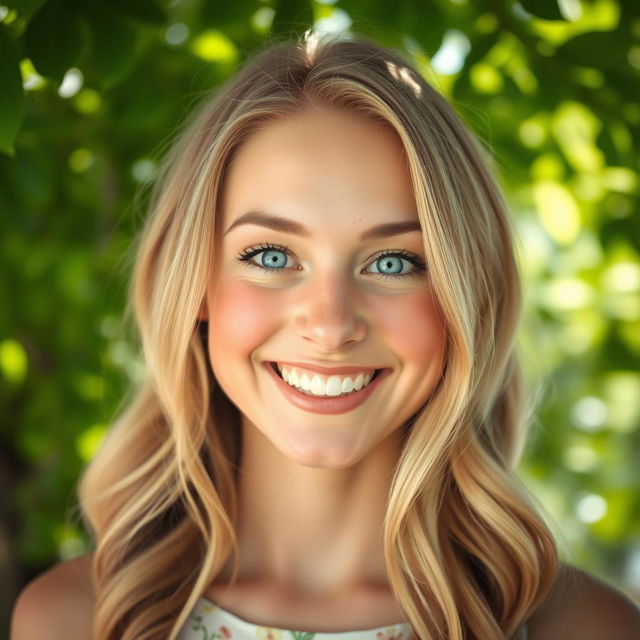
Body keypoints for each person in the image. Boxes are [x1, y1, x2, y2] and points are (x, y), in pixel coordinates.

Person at [10, 29, 640, 640]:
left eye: (394, 263)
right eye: (271, 256)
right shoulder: (73, 620)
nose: (331, 324)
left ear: (466, 299)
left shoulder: (584, 629)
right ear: (196, 284)